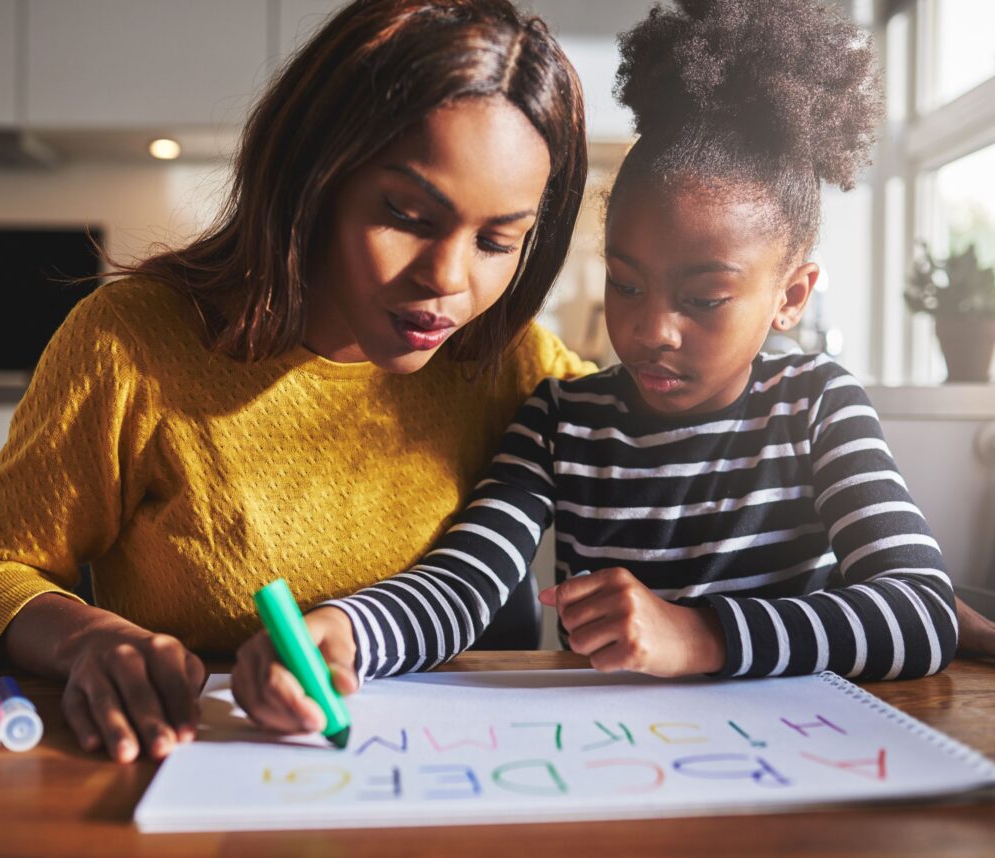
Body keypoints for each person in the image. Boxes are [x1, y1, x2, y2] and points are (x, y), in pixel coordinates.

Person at [0, 0, 591, 763]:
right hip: (207, 773)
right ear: (314, 179)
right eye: (405, 215)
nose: (449, 281)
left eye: (499, 241)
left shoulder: (511, 359)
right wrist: (88, 641)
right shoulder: (131, 342)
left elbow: (671, 429)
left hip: (460, 785)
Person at [315, 0, 962, 686]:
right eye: (625, 285)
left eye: (704, 300)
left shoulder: (817, 406)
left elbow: (920, 611)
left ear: (791, 297)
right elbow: (460, 588)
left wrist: (700, 635)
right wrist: (348, 633)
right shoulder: (560, 422)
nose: (653, 331)